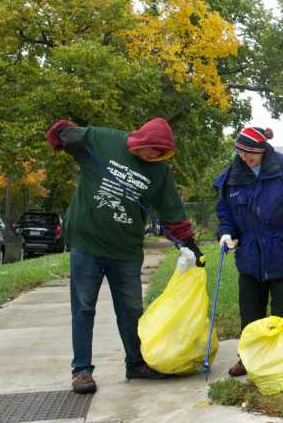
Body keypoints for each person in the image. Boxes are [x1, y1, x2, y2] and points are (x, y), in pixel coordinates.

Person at [45, 118, 203, 394]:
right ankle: (81, 370)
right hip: (87, 243)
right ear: (141, 140)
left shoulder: (159, 169)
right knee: (83, 308)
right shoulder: (103, 138)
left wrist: (188, 243)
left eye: (160, 152)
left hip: (126, 250)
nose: (153, 155)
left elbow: (171, 211)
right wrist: (66, 132)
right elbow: (58, 133)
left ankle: (136, 364)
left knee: (131, 310)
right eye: (151, 149)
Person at [214, 126, 283, 377]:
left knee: (282, 312)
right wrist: (226, 233)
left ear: (263, 150)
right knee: (250, 310)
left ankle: (280, 359)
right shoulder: (233, 173)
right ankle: (248, 359)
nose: (244, 157)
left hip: (282, 250)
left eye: (249, 153)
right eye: (240, 152)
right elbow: (225, 211)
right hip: (249, 253)